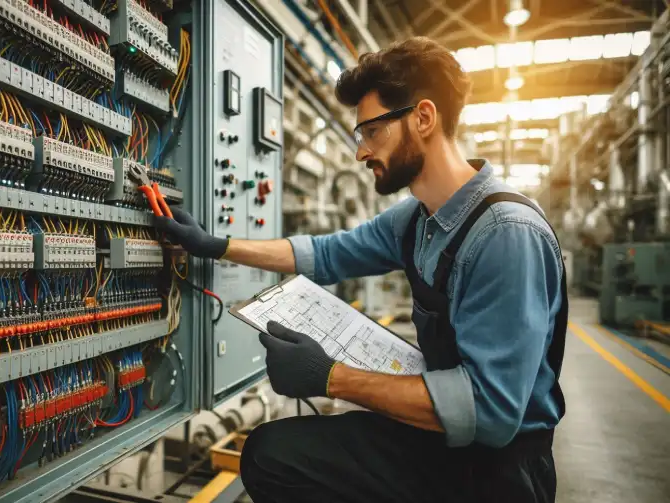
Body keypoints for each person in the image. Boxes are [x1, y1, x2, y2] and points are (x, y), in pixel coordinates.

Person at [155, 37, 567, 503]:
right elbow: (327, 254)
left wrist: (330, 377)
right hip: (449, 441)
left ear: (424, 118)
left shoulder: (506, 235)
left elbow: (490, 410)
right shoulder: (418, 219)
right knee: (272, 453)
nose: (360, 152)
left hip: (498, 470)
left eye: (371, 132)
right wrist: (216, 245)